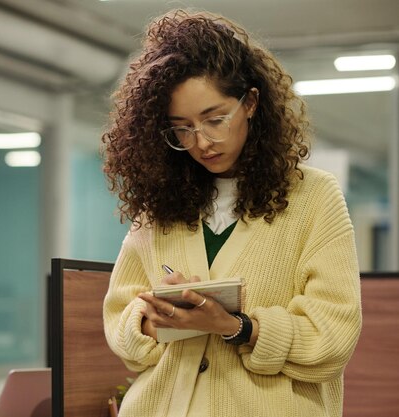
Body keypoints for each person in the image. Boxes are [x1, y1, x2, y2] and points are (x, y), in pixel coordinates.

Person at [101, 9, 362, 417]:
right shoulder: (158, 209)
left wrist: (235, 327)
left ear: (251, 103)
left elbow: (333, 337)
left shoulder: (315, 198)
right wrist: (156, 321)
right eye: (181, 128)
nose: (201, 141)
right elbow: (121, 319)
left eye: (215, 119)